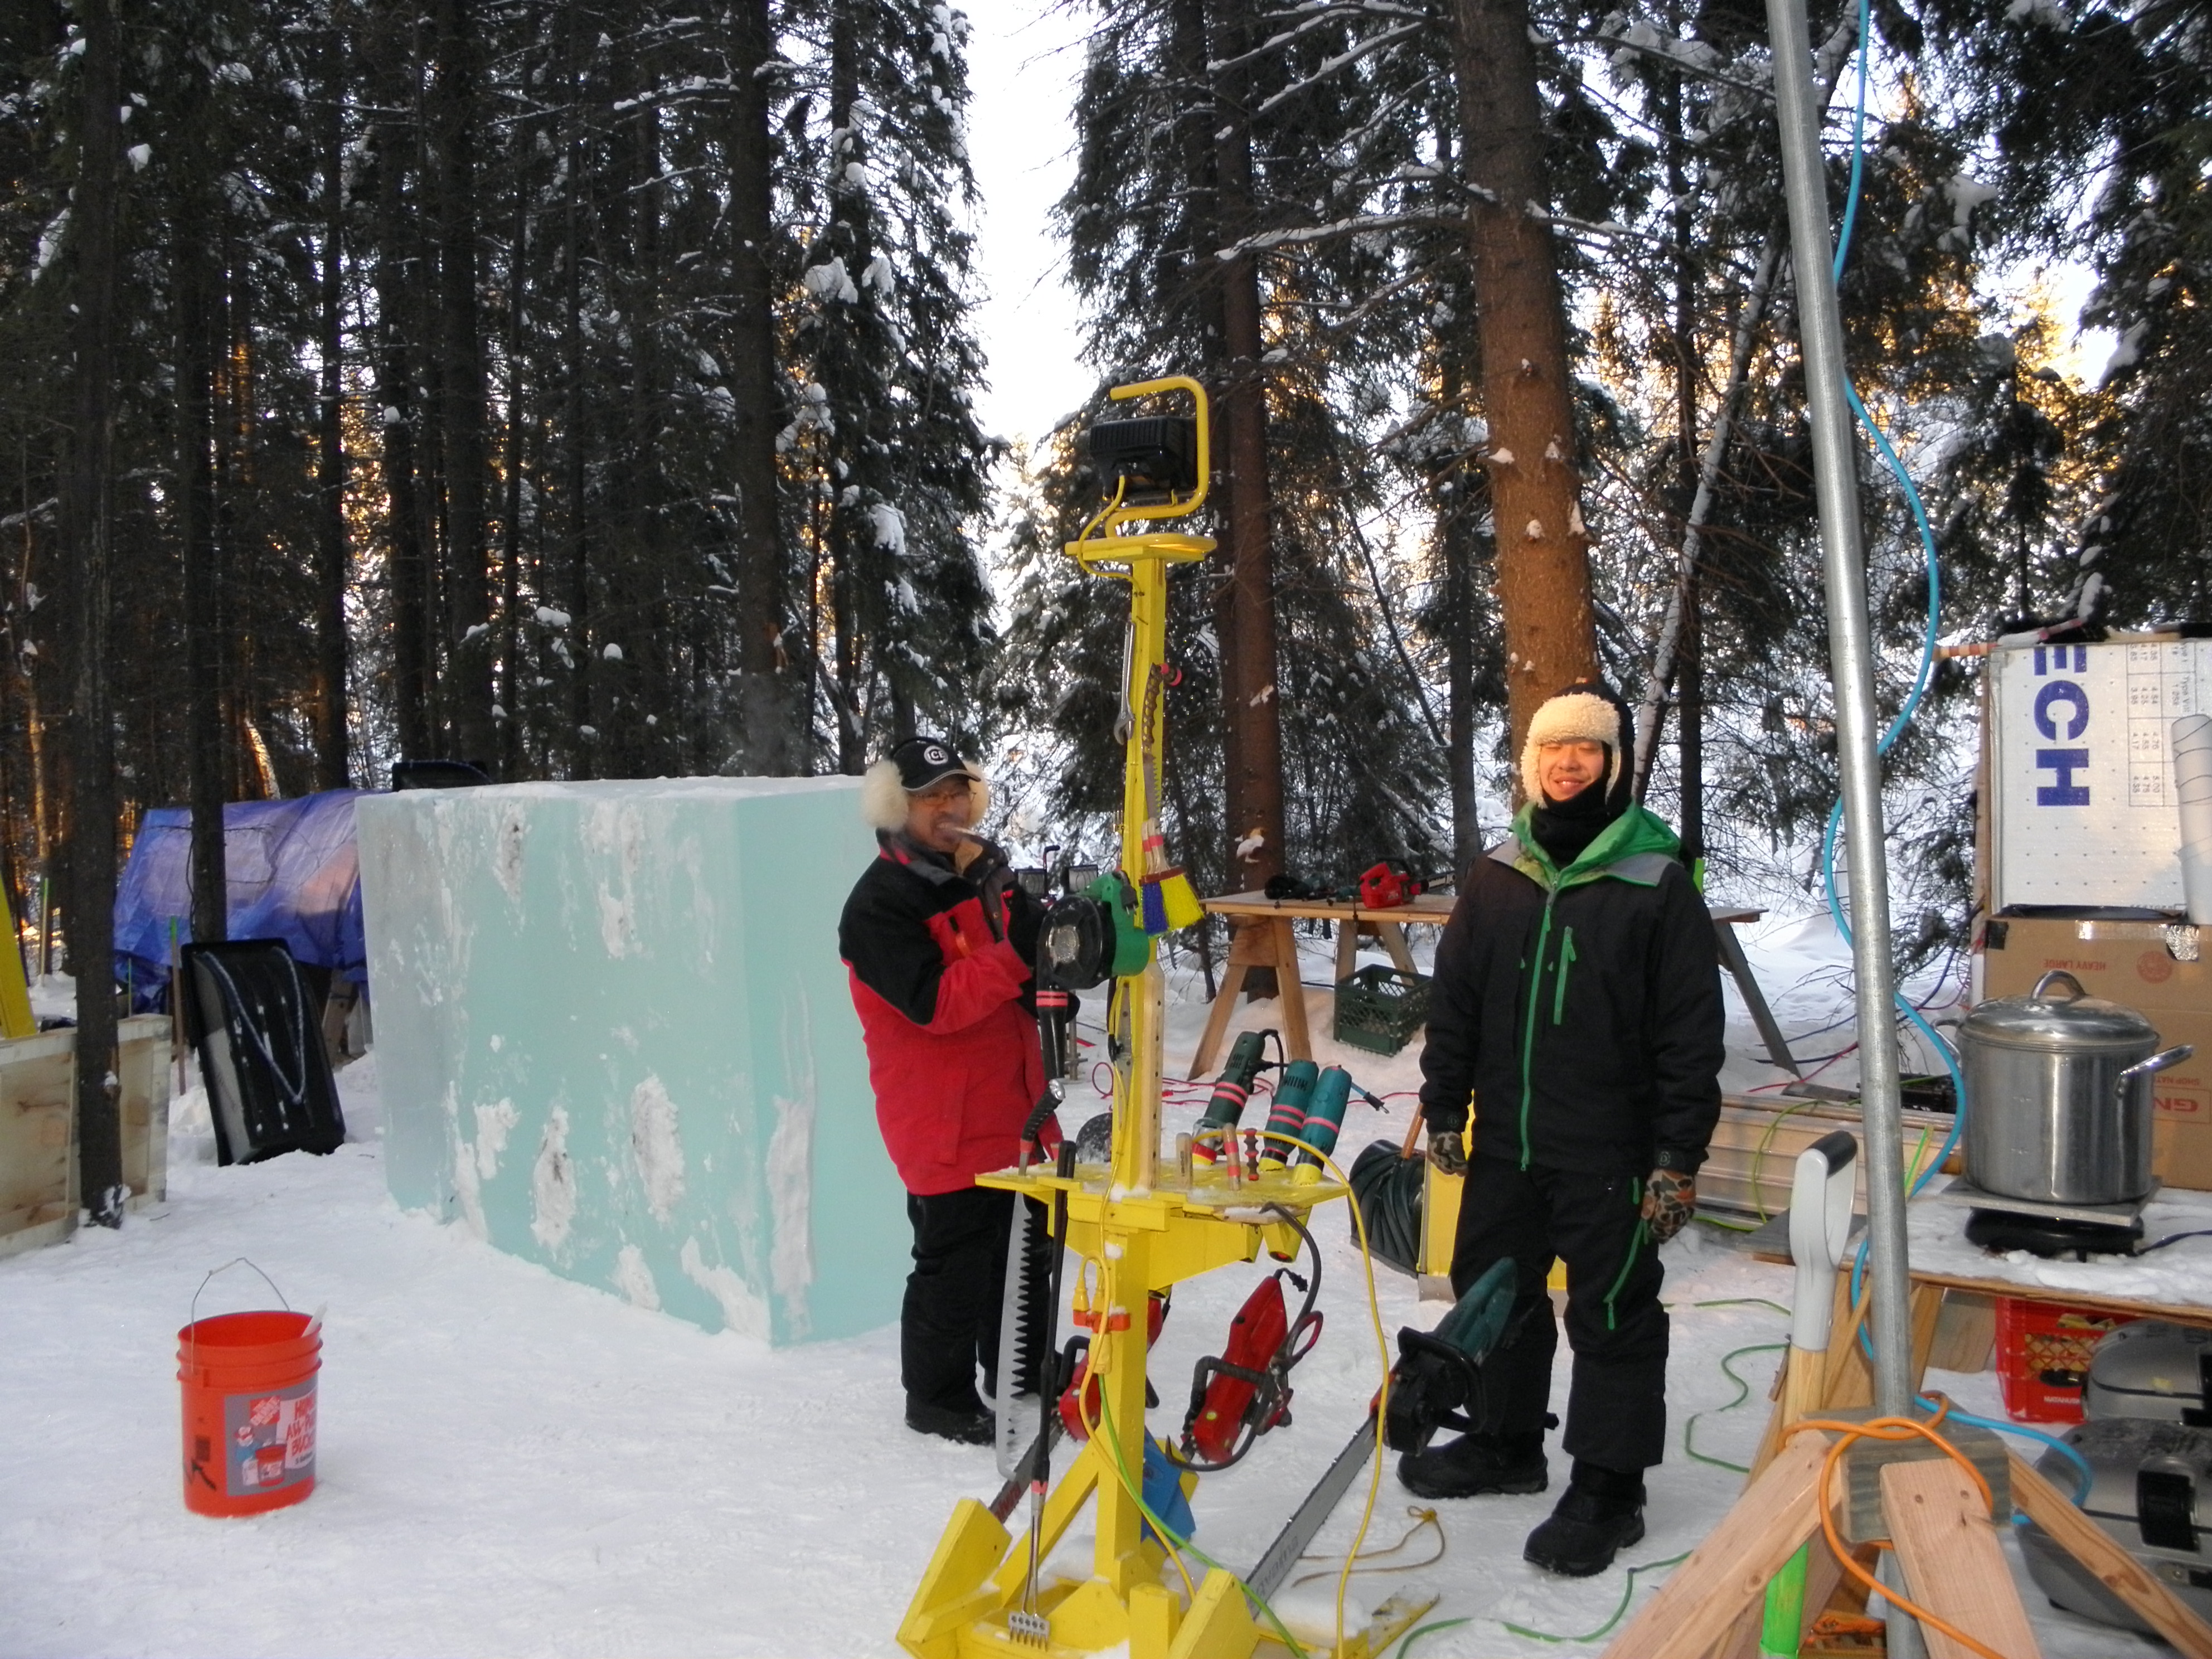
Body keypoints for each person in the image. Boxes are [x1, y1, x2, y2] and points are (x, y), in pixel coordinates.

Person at [1401, 682, 1725, 1576]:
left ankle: (1611, 1487)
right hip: (1509, 1140)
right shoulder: (1501, 874)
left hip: (1610, 1152)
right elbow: (1456, 1002)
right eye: (1553, 750)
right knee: (1493, 1293)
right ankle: (1507, 1445)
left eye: (1586, 749)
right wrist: (1442, 1107)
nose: (1568, 762)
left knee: (1611, 1313)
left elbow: (1689, 1034)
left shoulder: (1656, 881)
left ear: (1613, 765)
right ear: (1531, 764)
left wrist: (1675, 1158)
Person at [838, 736, 1052, 1445]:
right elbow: (936, 1004)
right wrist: (1016, 954)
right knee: (953, 1262)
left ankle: (1020, 1373)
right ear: (897, 806)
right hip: (940, 1118)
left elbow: (1007, 981)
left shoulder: (968, 878)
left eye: (958, 792)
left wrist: (1046, 980)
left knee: (1024, 1247)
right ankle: (936, 1399)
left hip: (1009, 1105)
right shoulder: (877, 906)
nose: (950, 808)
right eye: (931, 796)